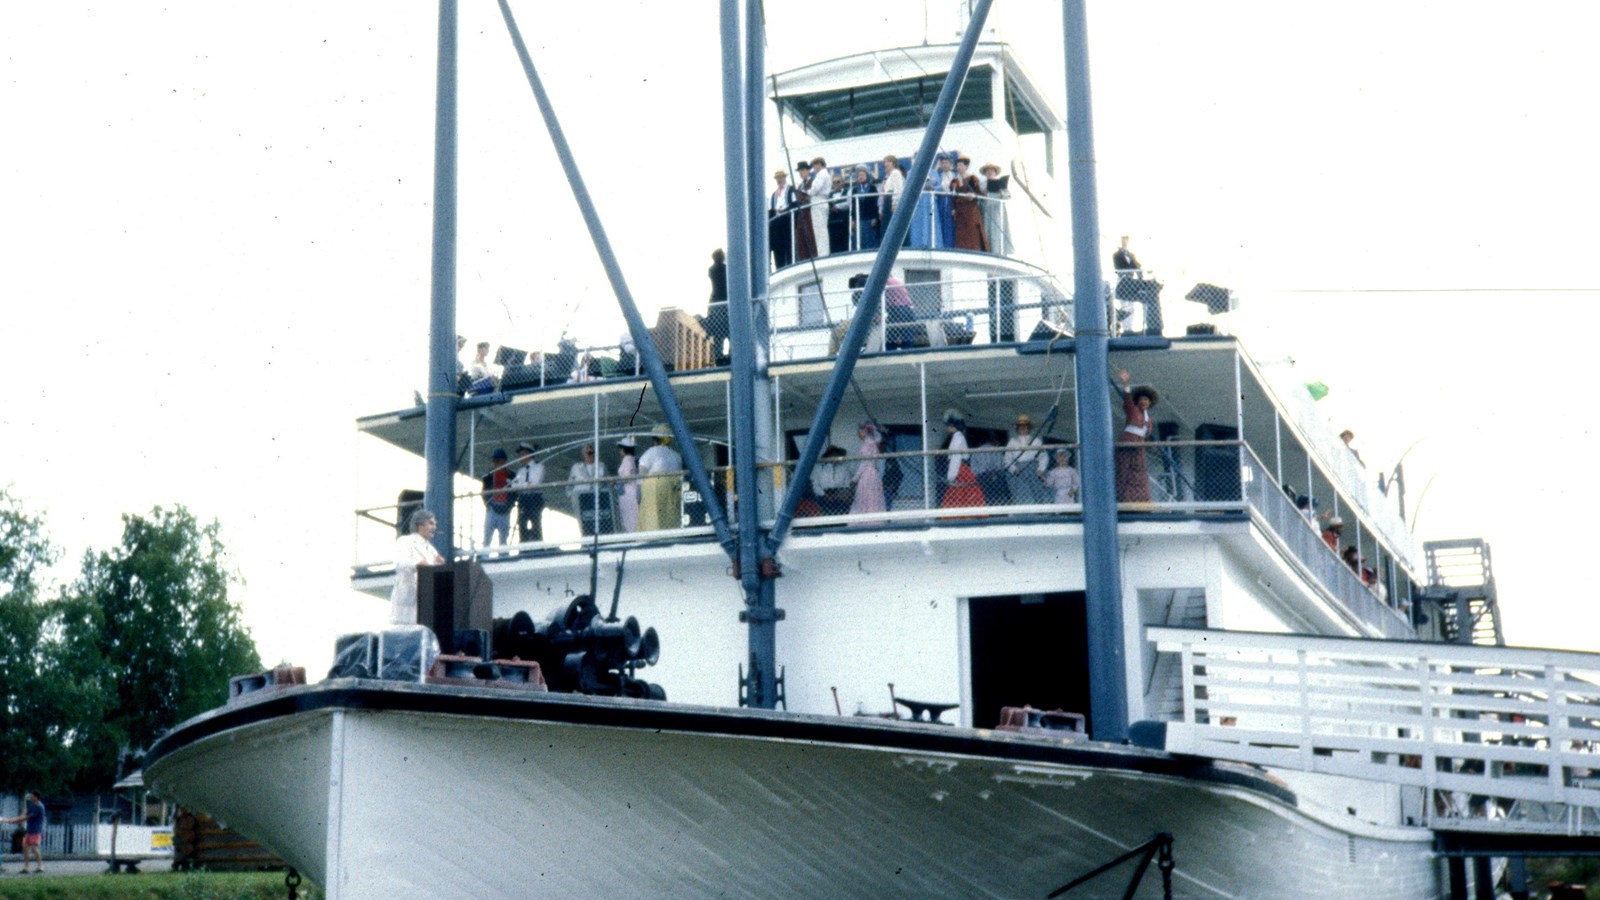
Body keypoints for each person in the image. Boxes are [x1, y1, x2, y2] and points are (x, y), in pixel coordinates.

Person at [391, 509, 445, 625]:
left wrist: (440, 566)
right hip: (407, 599)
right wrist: (416, 564)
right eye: (431, 523)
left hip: (425, 602)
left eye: (435, 524)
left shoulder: (432, 550)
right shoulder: (405, 541)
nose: (434, 527)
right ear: (420, 524)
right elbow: (399, 562)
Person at [1114, 369, 1158, 502]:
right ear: (1138, 401)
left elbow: (1146, 435)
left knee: (1139, 472)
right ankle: (1124, 499)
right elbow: (1127, 400)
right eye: (1142, 399)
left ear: (1150, 403)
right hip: (1127, 445)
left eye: (1147, 400)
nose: (1144, 402)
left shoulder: (1148, 419)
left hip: (1139, 447)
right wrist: (1126, 383)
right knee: (1124, 471)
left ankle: (1141, 500)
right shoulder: (1133, 410)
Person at [1111, 236, 1163, 336]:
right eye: (1123, 240)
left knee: (1132, 306)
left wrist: (1141, 276)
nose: (1124, 242)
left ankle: (1133, 328)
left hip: (1131, 281)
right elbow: (1117, 267)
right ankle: (1127, 329)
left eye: (1126, 240)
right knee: (1126, 306)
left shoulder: (1131, 255)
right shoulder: (1116, 255)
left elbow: (1137, 266)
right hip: (1123, 280)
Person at [637, 425, 684, 531]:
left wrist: (638, 497)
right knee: (671, 517)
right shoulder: (676, 455)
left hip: (653, 491)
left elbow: (641, 477)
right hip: (673, 491)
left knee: (652, 519)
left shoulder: (649, 453)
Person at [939, 409, 985, 509]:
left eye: (948, 425)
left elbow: (955, 459)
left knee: (957, 497)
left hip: (959, 471)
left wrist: (951, 477)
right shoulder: (960, 437)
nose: (947, 428)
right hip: (963, 470)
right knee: (967, 496)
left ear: (952, 425)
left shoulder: (957, 439)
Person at [567, 444, 614, 536]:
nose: (591, 454)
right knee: (584, 524)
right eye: (588, 452)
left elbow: (609, 481)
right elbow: (569, 485)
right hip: (583, 501)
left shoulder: (601, 466)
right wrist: (572, 498)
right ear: (583, 454)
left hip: (599, 499)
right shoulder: (576, 467)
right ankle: (586, 541)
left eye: (592, 452)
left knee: (601, 521)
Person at [1004, 414, 1050, 504]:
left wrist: (1041, 469)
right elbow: (1007, 458)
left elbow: (1043, 456)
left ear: (1028, 427)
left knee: (1037, 493)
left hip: (1033, 469)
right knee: (1020, 494)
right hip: (1019, 471)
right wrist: (1013, 469)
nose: (1022, 428)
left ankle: (1039, 512)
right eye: (1020, 426)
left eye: (1025, 426)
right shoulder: (1012, 442)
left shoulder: (1036, 441)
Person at [849, 422, 888, 521]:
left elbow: (864, 463)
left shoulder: (866, 445)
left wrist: (854, 479)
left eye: (859, 432)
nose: (858, 434)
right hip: (874, 473)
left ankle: (865, 520)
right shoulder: (874, 445)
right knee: (873, 498)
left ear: (864, 432)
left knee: (864, 496)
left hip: (867, 474)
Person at [950, 156, 989, 251]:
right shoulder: (954, 180)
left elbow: (979, 192)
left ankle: (975, 249)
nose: (958, 167)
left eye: (960, 165)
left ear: (966, 166)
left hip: (970, 209)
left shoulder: (972, 178)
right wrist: (953, 208)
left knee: (972, 230)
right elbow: (953, 197)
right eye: (957, 165)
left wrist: (973, 195)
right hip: (960, 211)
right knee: (961, 232)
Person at [509, 443, 545, 543]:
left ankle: (538, 546)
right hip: (523, 499)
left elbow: (535, 483)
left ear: (528, 454)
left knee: (536, 523)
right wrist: (525, 484)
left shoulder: (539, 467)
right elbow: (513, 485)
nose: (520, 457)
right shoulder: (520, 471)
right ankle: (523, 546)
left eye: (522, 454)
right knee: (522, 524)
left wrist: (522, 484)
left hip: (535, 498)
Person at [2, 793, 46, 874]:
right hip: (29, 830)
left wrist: (11, 821)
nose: (30, 797)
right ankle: (26, 867)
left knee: (34, 848)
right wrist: (11, 819)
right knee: (25, 847)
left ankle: (40, 866)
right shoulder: (32, 806)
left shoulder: (39, 806)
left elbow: (27, 817)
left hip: (36, 831)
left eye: (32, 796)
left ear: (36, 797)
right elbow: (25, 814)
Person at [481, 448, 513, 547]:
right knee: (487, 535)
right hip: (492, 508)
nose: (497, 463)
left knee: (503, 537)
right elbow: (484, 492)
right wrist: (489, 504)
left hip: (505, 508)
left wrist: (509, 505)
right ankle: (485, 557)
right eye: (495, 461)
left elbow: (514, 493)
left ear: (504, 461)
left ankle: (503, 556)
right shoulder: (488, 476)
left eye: (499, 460)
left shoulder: (511, 475)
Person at [703, 249, 730, 364]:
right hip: (725, 302)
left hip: (715, 303)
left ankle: (719, 358)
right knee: (729, 331)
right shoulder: (725, 269)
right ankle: (730, 355)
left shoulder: (712, 270)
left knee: (718, 334)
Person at [978, 163, 1010, 255]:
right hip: (986, 210)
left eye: (992, 170)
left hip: (997, 211)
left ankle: (998, 252)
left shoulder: (1000, 184)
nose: (990, 172)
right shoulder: (982, 184)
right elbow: (979, 199)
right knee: (986, 231)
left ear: (995, 173)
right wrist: (983, 193)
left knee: (997, 231)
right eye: (987, 171)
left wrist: (1001, 193)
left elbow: (1008, 196)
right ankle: (987, 252)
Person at [812, 446, 854, 515]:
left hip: (839, 496)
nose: (834, 457)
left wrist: (838, 495)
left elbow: (847, 484)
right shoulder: (820, 469)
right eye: (832, 455)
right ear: (828, 456)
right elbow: (815, 485)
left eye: (836, 455)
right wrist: (824, 495)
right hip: (823, 496)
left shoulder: (843, 469)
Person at [768, 169, 797, 268]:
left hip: (787, 219)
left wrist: (784, 212)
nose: (779, 180)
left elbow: (794, 204)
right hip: (777, 222)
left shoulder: (791, 189)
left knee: (788, 243)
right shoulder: (774, 194)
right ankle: (779, 266)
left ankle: (790, 263)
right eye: (777, 178)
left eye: (781, 177)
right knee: (778, 245)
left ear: (785, 177)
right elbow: (771, 209)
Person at [848, 165, 880, 250]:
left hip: (869, 218)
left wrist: (875, 217)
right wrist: (853, 220)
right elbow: (853, 205)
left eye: (862, 175)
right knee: (859, 240)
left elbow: (875, 204)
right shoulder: (855, 190)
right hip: (859, 219)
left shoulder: (872, 188)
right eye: (859, 175)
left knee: (870, 239)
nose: (860, 177)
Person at [807, 157, 833, 257]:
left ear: (819, 164)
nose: (814, 168)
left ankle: (823, 253)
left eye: (814, 165)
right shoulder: (824, 174)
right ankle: (822, 252)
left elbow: (815, 189)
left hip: (819, 201)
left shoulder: (822, 174)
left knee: (820, 229)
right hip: (821, 201)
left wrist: (807, 192)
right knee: (820, 229)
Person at [792, 161, 818, 261]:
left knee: (810, 235)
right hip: (801, 213)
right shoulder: (799, 186)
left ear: (808, 170)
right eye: (800, 171)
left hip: (809, 213)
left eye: (803, 170)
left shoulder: (812, 182)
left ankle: (813, 256)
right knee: (801, 236)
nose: (801, 173)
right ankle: (804, 258)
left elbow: (810, 196)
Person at [615, 436, 640, 532]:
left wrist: (616, 483)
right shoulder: (632, 459)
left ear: (623, 449)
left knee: (629, 515)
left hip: (628, 492)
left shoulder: (627, 460)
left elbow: (627, 476)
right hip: (632, 490)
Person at [933, 153, 956, 248]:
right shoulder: (939, 175)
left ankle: (949, 245)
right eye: (942, 163)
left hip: (950, 200)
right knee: (940, 222)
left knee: (949, 224)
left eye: (946, 163)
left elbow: (951, 188)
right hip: (941, 200)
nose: (944, 165)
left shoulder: (953, 175)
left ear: (950, 164)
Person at [879, 155, 905, 230]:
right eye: (885, 162)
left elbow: (898, 188)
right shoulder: (888, 176)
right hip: (887, 201)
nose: (886, 164)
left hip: (891, 201)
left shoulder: (895, 173)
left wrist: (895, 203)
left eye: (889, 161)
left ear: (893, 163)